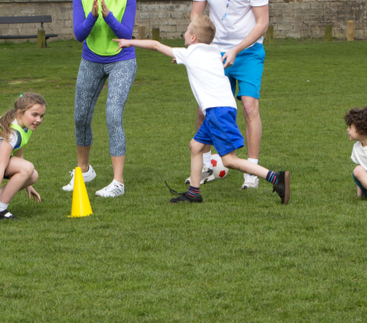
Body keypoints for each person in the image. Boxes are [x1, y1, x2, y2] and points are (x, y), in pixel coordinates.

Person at [116, 18, 289, 205]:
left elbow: (156, 45)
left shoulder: (190, 54)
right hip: (222, 107)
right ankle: (193, 193)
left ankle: (275, 178)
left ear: (192, 37)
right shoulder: (214, 50)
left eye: (186, 31)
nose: (183, 34)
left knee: (229, 160)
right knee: (195, 146)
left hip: (217, 111)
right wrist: (183, 59)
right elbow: (201, 63)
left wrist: (129, 42)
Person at [189, 0, 270, 190]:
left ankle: (253, 170)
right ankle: (211, 165)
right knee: (205, 110)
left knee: (249, 107)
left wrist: (236, 49)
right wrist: (197, 50)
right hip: (215, 52)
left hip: (248, 51)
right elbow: (196, 18)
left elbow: (262, 23)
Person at [62, 0, 137, 199]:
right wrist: (93, 16)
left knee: (113, 114)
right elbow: (79, 34)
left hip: (122, 59)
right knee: (80, 116)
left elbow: (126, 34)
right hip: (91, 59)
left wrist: (108, 16)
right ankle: (84, 170)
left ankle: (118, 182)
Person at [0, 94, 46, 221]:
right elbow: (0, 167)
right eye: (34, 114)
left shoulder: (22, 125)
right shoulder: (12, 132)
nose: (38, 119)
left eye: (41, 116)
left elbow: (19, 155)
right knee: (28, 168)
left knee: (33, 175)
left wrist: (27, 182)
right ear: (20, 112)